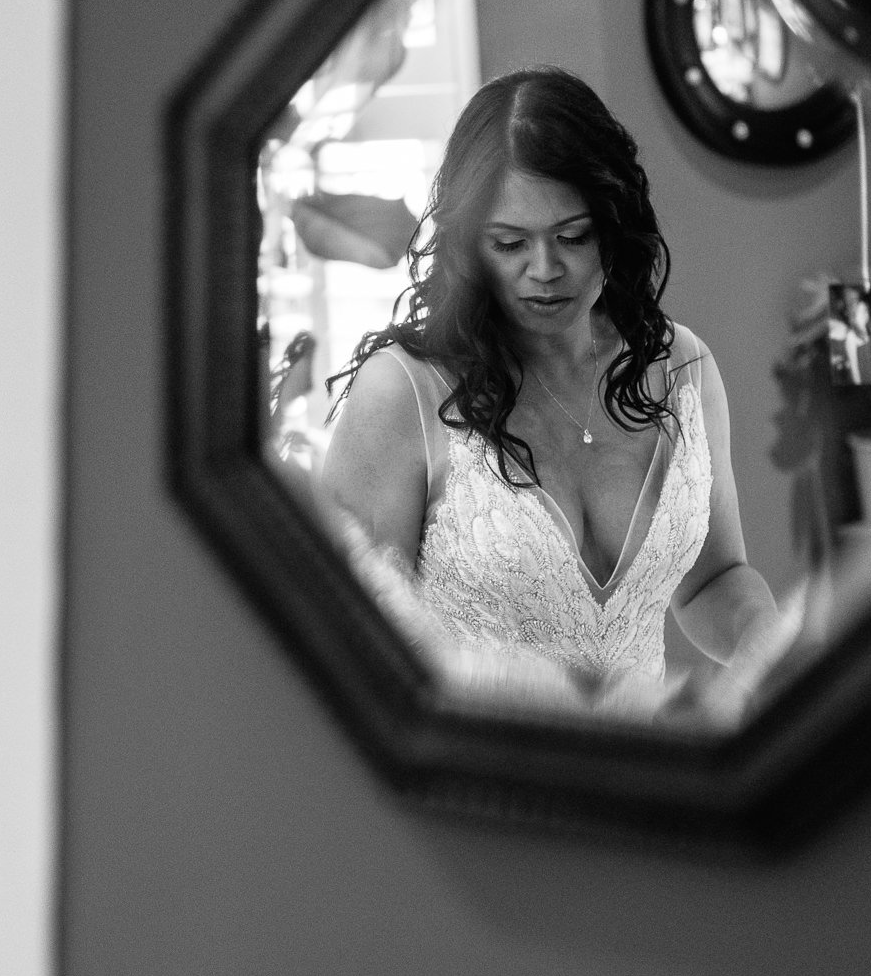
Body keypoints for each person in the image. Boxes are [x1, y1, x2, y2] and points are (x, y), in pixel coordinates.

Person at [319, 66, 791, 724]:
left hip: (656, 785)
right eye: (510, 243)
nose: (544, 270)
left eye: (572, 236)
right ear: (469, 246)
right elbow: (347, 650)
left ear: (615, 225)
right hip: (481, 793)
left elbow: (714, 580)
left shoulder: (683, 368)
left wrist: (767, 650)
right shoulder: (403, 393)